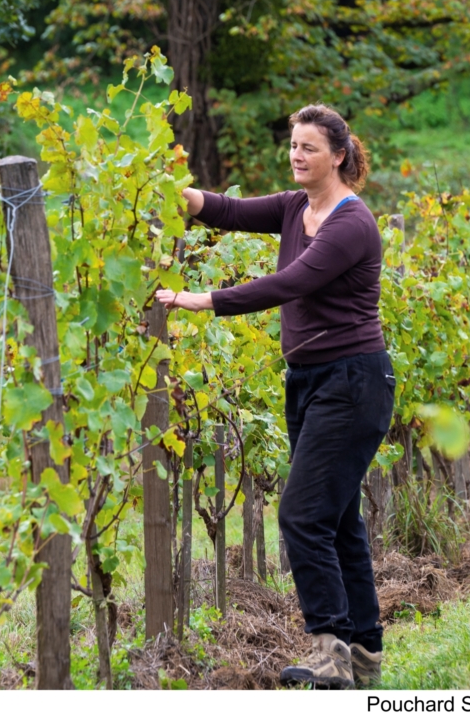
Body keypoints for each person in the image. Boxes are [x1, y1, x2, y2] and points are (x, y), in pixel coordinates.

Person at [155, 104, 396, 689]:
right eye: (292, 145)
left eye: (309, 147)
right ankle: (363, 654)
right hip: (311, 380)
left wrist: (203, 299)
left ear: (338, 155)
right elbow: (229, 210)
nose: (296, 155)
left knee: (301, 515)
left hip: (353, 380)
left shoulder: (351, 222)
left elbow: (292, 282)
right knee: (338, 522)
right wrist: (169, 192)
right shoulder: (295, 207)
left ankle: (329, 649)